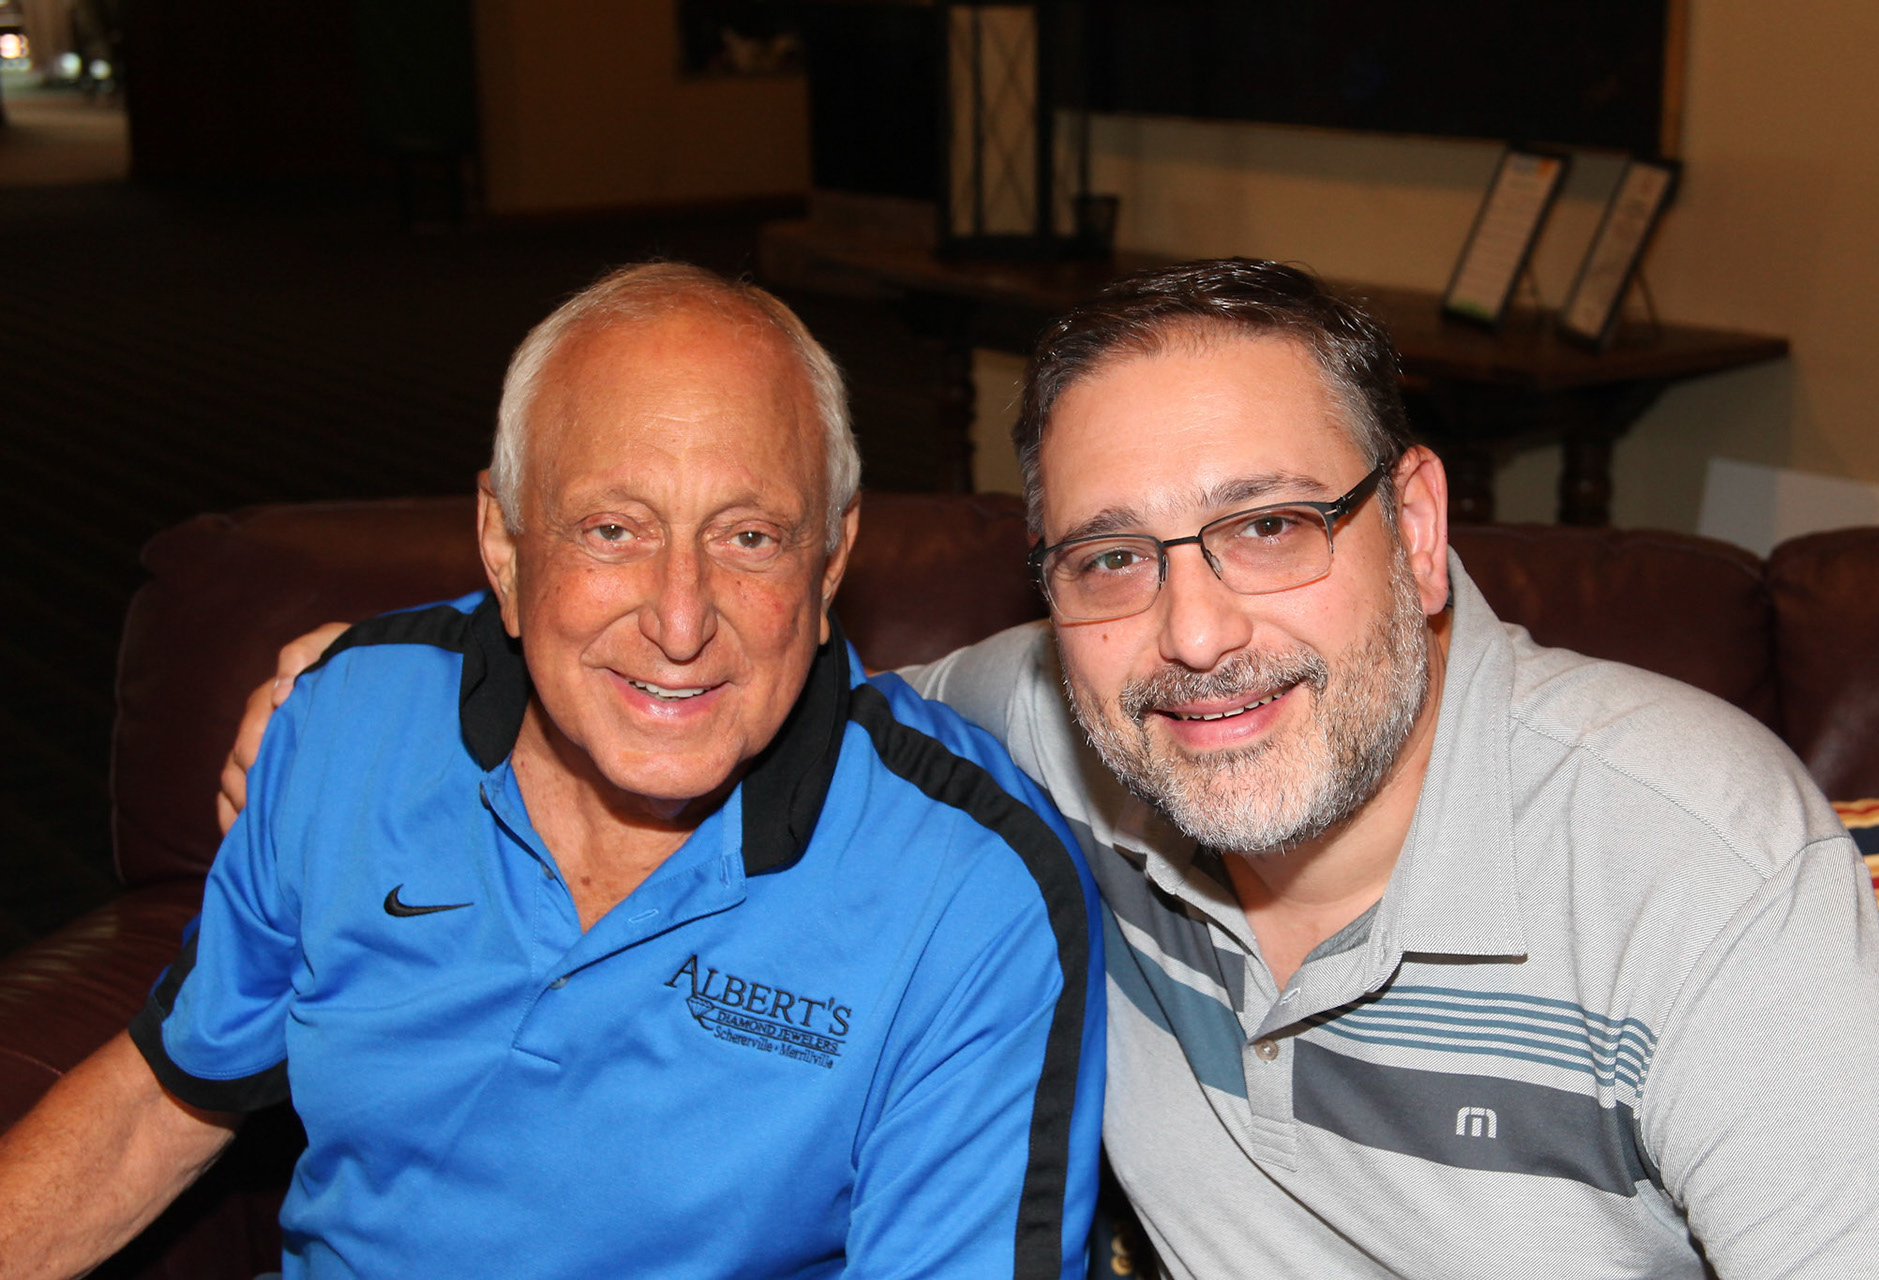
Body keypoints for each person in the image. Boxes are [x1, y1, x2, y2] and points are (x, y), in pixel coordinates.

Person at [222, 260, 1879, 1278]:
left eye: (1266, 526)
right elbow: (717, 653)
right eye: (1110, 557)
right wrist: (400, 663)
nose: (1193, 633)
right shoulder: (1051, 740)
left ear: (1412, 526)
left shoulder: (1698, 863)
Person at [0, 263, 1104, 1280]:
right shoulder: (343, 722)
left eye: (751, 537)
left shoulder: (973, 893)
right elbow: (164, 1099)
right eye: (612, 529)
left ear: (831, 561)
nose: (680, 619)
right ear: (503, 539)